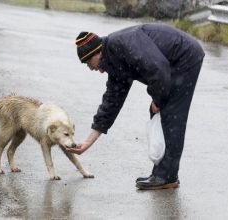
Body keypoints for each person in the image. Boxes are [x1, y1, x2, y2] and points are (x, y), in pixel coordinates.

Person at [67, 24, 205, 190]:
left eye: (88, 62)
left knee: (171, 115)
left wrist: (157, 99)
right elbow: (111, 101)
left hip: (185, 56)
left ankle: (166, 176)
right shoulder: (113, 59)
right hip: (171, 64)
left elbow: (159, 70)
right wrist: (87, 143)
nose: (90, 68)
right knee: (159, 113)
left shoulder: (123, 44)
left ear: (96, 52)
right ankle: (163, 173)